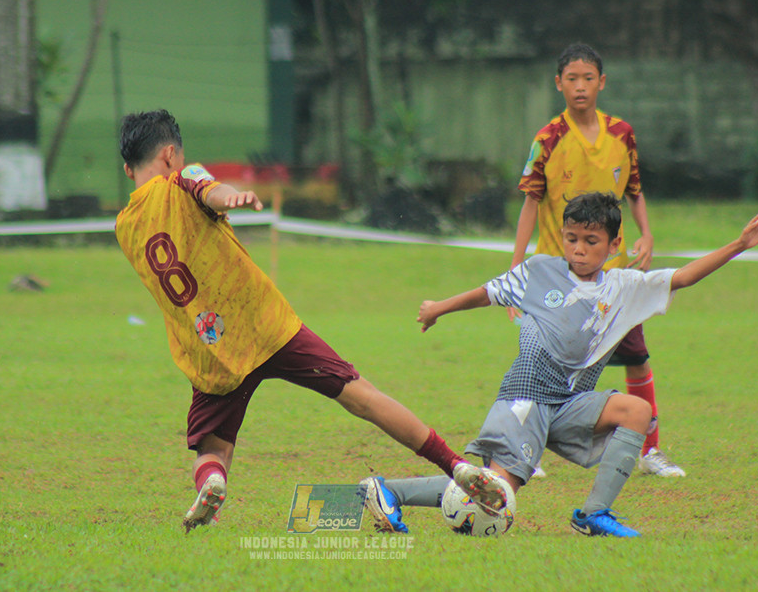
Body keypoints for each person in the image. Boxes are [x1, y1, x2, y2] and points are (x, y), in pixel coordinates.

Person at [114, 109, 505, 532]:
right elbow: (209, 191)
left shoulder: (125, 226)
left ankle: (212, 482)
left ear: (127, 167)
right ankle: (455, 465)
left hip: (211, 351)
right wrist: (232, 197)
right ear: (170, 154)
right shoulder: (183, 177)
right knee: (362, 397)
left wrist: (220, 198)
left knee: (212, 447)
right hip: (265, 323)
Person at [361, 192, 758, 537]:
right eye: (572, 238)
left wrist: (739, 244)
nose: (579, 250)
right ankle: (388, 490)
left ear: (615, 245)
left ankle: (594, 514)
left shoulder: (625, 287)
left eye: (591, 241)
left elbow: (684, 277)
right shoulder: (539, 270)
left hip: (568, 402)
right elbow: (488, 293)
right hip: (525, 397)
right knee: (497, 490)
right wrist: (438, 307)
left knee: (637, 410)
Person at [510, 42, 683, 477]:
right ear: (558, 84)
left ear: (602, 82)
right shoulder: (548, 138)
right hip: (558, 273)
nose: (581, 87)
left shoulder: (622, 134)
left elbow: (635, 192)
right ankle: (522, 450)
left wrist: (646, 234)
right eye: (572, 79)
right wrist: (516, 269)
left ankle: (650, 451)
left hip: (614, 276)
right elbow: (530, 204)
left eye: (589, 78)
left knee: (637, 357)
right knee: (539, 361)